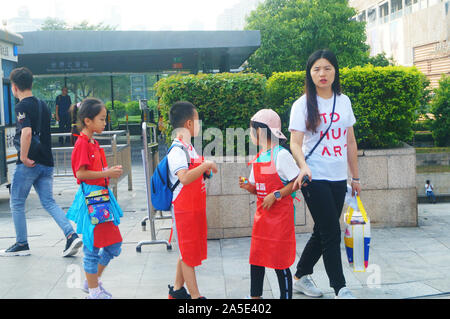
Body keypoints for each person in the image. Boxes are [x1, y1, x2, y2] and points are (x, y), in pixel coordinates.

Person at [288, 49, 361, 299]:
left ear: (335, 71)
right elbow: (295, 143)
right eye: (316, 69)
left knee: (323, 230)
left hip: (338, 177)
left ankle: (299, 277)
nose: (322, 73)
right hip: (313, 177)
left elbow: (350, 142)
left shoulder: (344, 101)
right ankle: (340, 287)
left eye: (327, 68)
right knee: (331, 232)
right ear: (310, 73)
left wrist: (356, 177)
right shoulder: (302, 105)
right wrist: (303, 166)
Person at [0, 67, 82, 258]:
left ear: (14, 87)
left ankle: (21, 243)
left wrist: (23, 157)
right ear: (30, 83)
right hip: (47, 161)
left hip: (29, 163)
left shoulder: (21, 106)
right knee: (49, 201)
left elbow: (27, 132)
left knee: (17, 202)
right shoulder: (42, 104)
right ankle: (71, 235)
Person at [65, 98, 124, 299]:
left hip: (100, 200)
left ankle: (92, 283)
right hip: (92, 201)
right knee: (93, 247)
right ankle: (93, 290)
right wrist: (106, 172)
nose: (104, 122)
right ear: (88, 121)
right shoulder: (82, 144)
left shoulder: (92, 142)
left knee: (113, 244)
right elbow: (80, 175)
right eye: (101, 119)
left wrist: (106, 173)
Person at [239, 109, 299, 299]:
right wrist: (247, 186)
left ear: (261, 131)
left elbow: (298, 181)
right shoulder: (259, 158)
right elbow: (258, 189)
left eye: (252, 129)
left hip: (280, 218)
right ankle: (255, 298)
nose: (250, 133)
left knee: (279, 261)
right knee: (256, 259)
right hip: (262, 219)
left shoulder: (281, 155)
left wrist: (276, 195)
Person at [167, 101, 217, 299]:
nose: (199, 124)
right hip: (183, 209)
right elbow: (185, 177)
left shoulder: (188, 148)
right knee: (188, 254)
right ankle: (196, 297)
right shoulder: (177, 150)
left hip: (194, 207)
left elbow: (196, 171)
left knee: (187, 250)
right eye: (197, 121)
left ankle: (178, 290)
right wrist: (206, 165)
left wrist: (206, 169)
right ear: (188, 123)